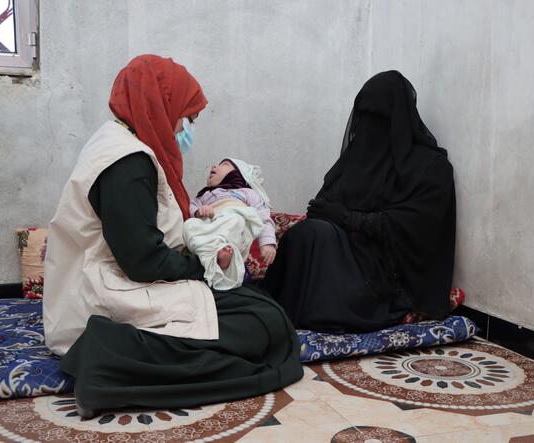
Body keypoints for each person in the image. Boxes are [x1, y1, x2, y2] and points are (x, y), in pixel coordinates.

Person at [43, 54, 302, 418]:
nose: (188, 128)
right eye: (189, 117)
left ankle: (122, 360)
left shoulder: (120, 142)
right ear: (161, 106)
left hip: (125, 277)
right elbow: (142, 260)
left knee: (261, 307)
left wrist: (207, 263)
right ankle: (106, 360)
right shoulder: (126, 162)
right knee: (264, 327)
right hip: (106, 291)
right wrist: (203, 268)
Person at [263, 71, 456, 334]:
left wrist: (347, 218)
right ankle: (278, 312)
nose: (368, 125)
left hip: (388, 273)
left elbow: (415, 229)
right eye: (363, 115)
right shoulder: (359, 159)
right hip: (347, 251)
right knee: (305, 235)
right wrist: (326, 211)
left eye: (377, 117)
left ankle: (311, 314)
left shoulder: (430, 168)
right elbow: (327, 204)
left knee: (317, 236)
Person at [184, 158, 277, 290]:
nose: (214, 165)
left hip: (234, 229)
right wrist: (199, 212)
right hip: (212, 228)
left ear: (237, 174)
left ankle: (224, 257)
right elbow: (192, 209)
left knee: (236, 220)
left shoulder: (246, 192)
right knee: (189, 225)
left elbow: (263, 217)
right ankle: (214, 258)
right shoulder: (203, 195)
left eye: (224, 164)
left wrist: (267, 243)